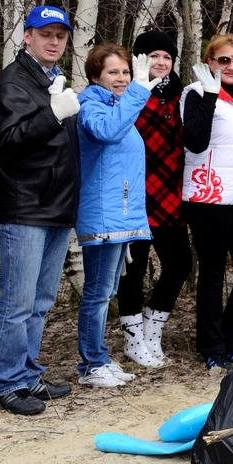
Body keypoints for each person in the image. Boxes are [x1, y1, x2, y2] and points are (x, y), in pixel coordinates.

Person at [0, 5, 80, 415]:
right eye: (46, 34)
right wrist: (52, 115)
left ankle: (27, 375)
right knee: (18, 302)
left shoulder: (51, 80)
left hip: (56, 207)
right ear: (27, 36)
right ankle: (8, 383)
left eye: (60, 35)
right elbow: (8, 143)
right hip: (24, 209)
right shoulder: (11, 84)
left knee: (40, 301)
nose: (54, 41)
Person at [181, 34, 233, 370]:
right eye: (223, 60)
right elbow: (195, 142)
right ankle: (211, 346)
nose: (231, 66)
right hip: (209, 197)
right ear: (210, 62)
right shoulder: (196, 92)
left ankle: (231, 337)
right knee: (213, 273)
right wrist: (210, 97)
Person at [75, 43, 156, 387]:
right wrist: (137, 92)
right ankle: (92, 364)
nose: (122, 78)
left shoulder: (116, 106)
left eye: (126, 72)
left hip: (119, 215)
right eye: (114, 72)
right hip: (103, 215)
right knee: (96, 293)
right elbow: (107, 132)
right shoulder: (91, 106)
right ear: (96, 76)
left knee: (105, 291)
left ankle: (100, 358)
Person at [118, 30, 192, 369]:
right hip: (132, 192)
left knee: (179, 264)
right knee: (132, 270)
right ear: (140, 59)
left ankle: (152, 332)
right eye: (154, 56)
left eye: (167, 57)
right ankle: (133, 340)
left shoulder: (180, 95)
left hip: (169, 192)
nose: (161, 62)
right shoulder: (125, 92)